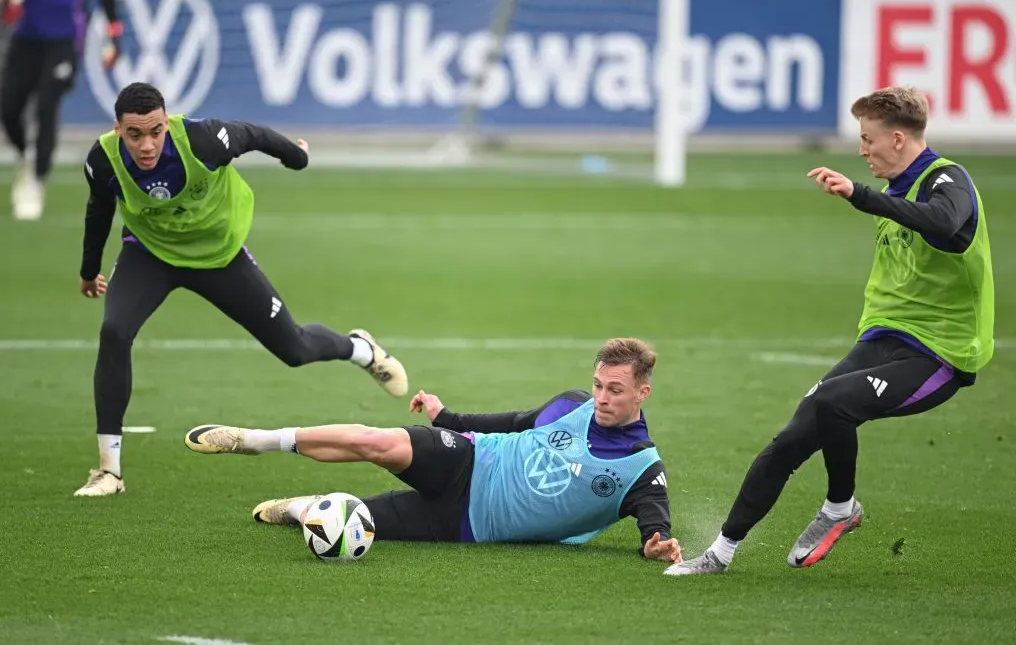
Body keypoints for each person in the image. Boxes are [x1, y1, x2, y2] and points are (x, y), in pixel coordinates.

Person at [666, 86, 994, 576]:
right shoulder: (894, 191)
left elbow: (947, 223)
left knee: (832, 402)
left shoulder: (946, 179)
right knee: (794, 434)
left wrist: (860, 197)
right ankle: (720, 553)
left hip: (940, 355)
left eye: (869, 140)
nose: (862, 151)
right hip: (884, 339)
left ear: (900, 140)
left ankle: (841, 508)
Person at [74, 81, 408, 498]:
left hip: (220, 257)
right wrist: (90, 271)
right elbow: (98, 210)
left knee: (295, 349)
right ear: (117, 129)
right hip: (150, 255)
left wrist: (297, 156)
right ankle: (109, 471)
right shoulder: (101, 160)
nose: (146, 145)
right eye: (135, 134)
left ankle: (361, 349)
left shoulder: (202, 140)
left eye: (156, 131)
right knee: (114, 331)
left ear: (167, 122)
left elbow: (252, 135)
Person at [184, 338, 682, 562]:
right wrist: (448, 419)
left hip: (467, 526)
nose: (601, 398)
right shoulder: (571, 406)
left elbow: (654, 525)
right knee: (376, 442)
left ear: (642, 393)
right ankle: (252, 441)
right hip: (469, 458)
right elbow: (512, 423)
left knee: (353, 522)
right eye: (597, 384)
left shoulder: (641, 469)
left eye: (614, 389)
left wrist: (655, 544)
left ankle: (299, 507)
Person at [0, 0, 122, 220]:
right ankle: (26, 154)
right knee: (8, 107)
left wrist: (113, 33)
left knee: (46, 103)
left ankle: (36, 181)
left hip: (65, 38)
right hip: (27, 34)